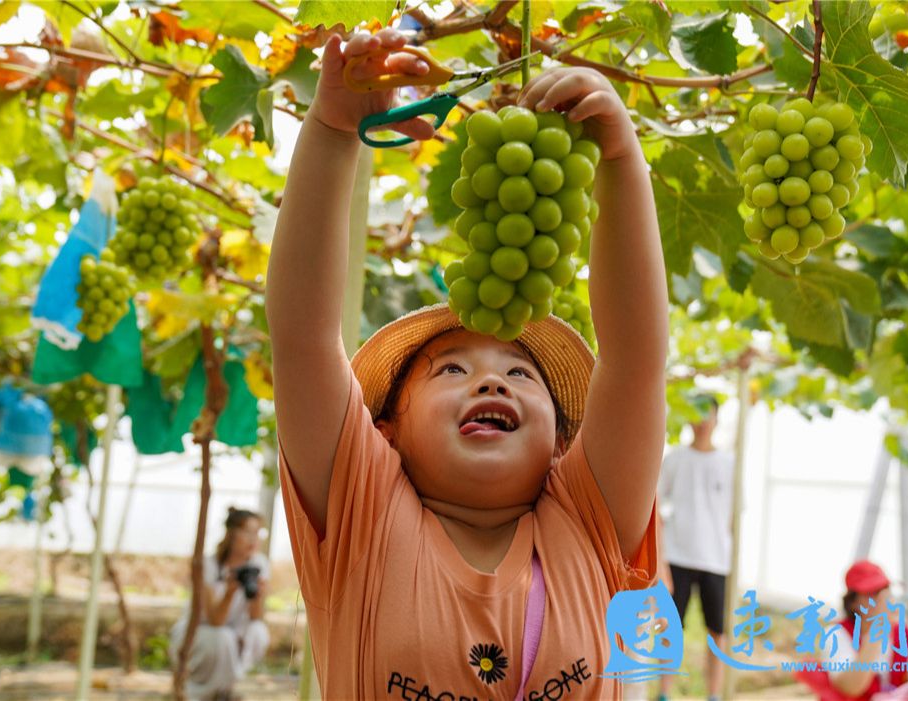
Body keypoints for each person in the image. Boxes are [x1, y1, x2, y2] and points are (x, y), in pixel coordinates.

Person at [267, 27, 668, 698]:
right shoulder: (365, 513)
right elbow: (303, 335)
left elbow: (635, 361)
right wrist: (332, 133)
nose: (490, 378)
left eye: (519, 374)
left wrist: (623, 162)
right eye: (450, 370)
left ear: (564, 440)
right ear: (386, 432)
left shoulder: (586, 520)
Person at [657, 396, 732, 701]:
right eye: (697, 414)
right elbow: (655, 505)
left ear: (716, 420)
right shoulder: (674, 459)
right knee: (671, 631)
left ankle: (714, 694)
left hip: (716, 559)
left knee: (718, 632)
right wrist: (660, 561)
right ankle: (664, 693)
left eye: (708, 415)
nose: (702, 422)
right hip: (678, 555)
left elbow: (735, 514)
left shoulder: (729, 463)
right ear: (689, 418)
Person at [169, 507, 270, 701]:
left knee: (258, 630)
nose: (254, 539)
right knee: (222, 637)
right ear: (231, 534)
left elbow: (256, 617)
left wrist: (257, 595)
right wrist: (230, 592)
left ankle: (225, 689)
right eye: (248, 532)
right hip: (201, 629)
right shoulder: (209, 565)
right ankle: (206, 693)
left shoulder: (259, 564)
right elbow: (215, 620)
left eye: (258, 533)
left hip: (233, 629)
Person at [825, 561, 908, 699]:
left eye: (883, 591)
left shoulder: (906, 634)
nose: (881, 600)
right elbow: (850, 687)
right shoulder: (836, 634)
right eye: (872, 593)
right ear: (853, 602)